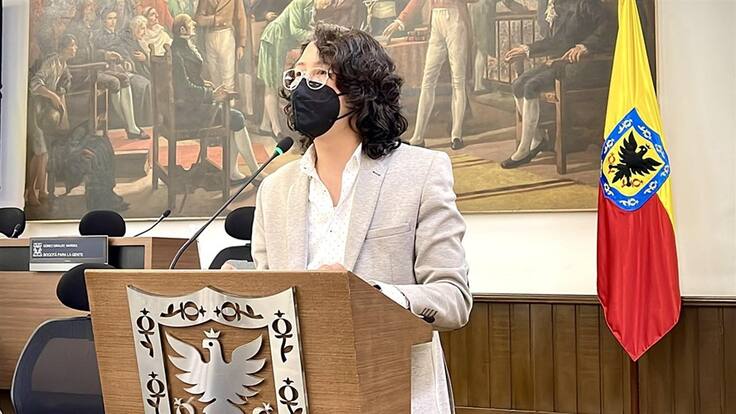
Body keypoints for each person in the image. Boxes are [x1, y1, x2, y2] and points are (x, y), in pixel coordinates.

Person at [245, 24, 472, 413]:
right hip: (302, 395)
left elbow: (453, 300)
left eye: (320, 73)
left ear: (360, 87)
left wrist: (370, 294)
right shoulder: (274, 189)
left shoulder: (421, 172)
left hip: (395, 392)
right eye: (297, 73)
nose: (301, 86)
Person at [501, 0, 612, 168]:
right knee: (518, 84)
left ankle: (524, 150)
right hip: (562, 63)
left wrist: (585, 46)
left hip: (586, 66)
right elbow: (556, 42)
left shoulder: (584, 3)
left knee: (531, 86)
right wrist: (527, 49)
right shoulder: (553, 5)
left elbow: (609, 25)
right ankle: (537, 138)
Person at [171, 14, 260, 182]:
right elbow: (184, 89)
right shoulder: (177, 53)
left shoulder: (179, 48)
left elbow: (187, 79)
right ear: (182, 29)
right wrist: (212, 95)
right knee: (236, 117)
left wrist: (205, 84)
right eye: (190, 23)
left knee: (233, 118)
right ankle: (255, 172)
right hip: (187, 113)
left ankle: (233, 172)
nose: (194, 24)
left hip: (187, 108)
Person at [384, 0, 474, 150]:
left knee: (458, 80)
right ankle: (418, 136)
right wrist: (400, 20)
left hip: (456, 18)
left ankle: (456, 134)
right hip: (436, 20)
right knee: (428, 80)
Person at [256, 0, 330, 138]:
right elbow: (295, 31)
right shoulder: (300, 2)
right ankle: (276, 129)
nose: (327, 4)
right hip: (274, 39)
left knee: (274, 83)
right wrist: (317, 35)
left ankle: (265, 125)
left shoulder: (310, 7)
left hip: (283, 42)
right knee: (272, 84)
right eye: (327, 1)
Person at [25, 34, 77, 206]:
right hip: (37, 108)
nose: (75, 48)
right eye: (72, 45)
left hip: (46, 112)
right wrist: (53, 95)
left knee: (44, 152)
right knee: (40, 151)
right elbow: (34, 84)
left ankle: (42, 190)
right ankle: (31, 192)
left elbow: (65, 84)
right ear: (63, 48)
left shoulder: (63, 64)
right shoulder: (51, 62)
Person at [194, 0, 248, 93]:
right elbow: (198, 19)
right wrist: (214, 20)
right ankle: (218, 101)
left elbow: (241, 18)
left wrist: (241, 44)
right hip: (210, 36)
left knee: (228, 77)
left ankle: (229, 101)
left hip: (226, 35)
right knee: (215, 77)